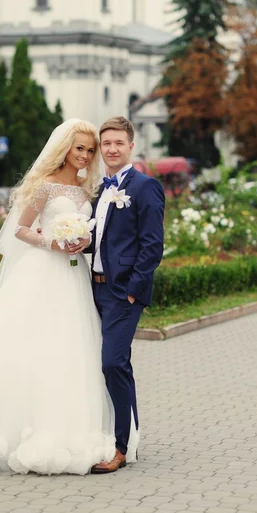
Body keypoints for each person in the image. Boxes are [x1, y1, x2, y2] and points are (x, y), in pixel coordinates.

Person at [0, 119, 116, 475]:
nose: (85, 155)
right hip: (42, 272)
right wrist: (52, 242)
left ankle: (68, 428)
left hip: (73, 275)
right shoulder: (45, 188)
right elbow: (19, 230)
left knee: (71, 349)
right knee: (30, 345)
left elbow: (92, 231)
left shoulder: (86, 190)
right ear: (64, 148)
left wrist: (82, 242)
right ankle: (11, 429)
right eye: (79, 148)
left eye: (90, 150)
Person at [85, 116, 165, 473]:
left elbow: (152, 245)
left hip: (122, 293)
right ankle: (127, 440)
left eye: (119, 143)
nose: (112, 149)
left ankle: (120, 448)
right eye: (106, 144)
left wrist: (133, 290)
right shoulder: (101, 190)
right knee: (116, 365)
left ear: (131, 146)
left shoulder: (145, 186)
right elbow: (101, 240)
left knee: (112, 362)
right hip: (93, 289)